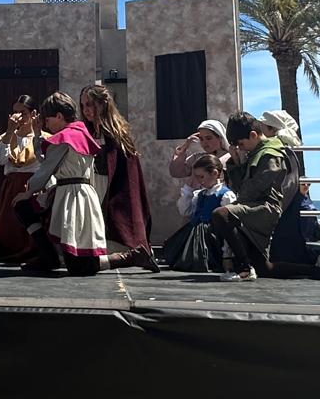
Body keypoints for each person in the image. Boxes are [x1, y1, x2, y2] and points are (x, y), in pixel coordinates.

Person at [14, 91, 108, 276]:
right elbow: (48, 160)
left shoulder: (66, 138)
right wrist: (38, 135)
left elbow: (46, 167)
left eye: (48, 119)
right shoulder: (79, 133)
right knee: (25, 207)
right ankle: (48, 255)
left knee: (78, 265)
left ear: (59, 116)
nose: (46, 124)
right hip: (77, 193)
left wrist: (30, 190)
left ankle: (128, 258)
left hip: (71, 197)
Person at [78, 84, 158, 271]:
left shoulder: (117, 134)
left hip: (111, 189)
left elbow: (128, 174)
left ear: (102, 104)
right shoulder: (85, 132)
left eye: (90, 104)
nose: (86, 110)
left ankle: (129, 254)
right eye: (83, 105)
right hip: (91, 186)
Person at [209, 113, 295, 281]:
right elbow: (240, 188)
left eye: (241, 144)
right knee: (265, 268)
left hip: (265, 208)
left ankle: (245, 268)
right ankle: (319, 269)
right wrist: (235, 162)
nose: (241, 148)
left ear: (253, 135)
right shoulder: (256, 152)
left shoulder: (270, 154)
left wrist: (236, 202)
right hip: (252, 206)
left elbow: (254, 188)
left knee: (221, 214)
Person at [256, 109, 316, 270]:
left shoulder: (279, 152)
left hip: (283, 207)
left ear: (271, 130)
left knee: (284, 250)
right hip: (287, 206)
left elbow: (287, 185)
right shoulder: (287, 151)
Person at [0, 95, 42, 263]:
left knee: (32, 221)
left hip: (33, 185)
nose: (18, 117)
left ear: (32, 114)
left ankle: (34, 251)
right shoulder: (8, 137)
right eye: (15, 112)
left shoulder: (41, 137)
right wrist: (10, 131)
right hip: (12, 186)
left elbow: (46, 161)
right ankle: (8, 250)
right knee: (8, 223)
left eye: (23, 113)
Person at [162, 154, 236, 273]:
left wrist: (227, 255)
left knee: (200, 262)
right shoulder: (200, 194)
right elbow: (185, 211)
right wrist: (188, 189)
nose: (199, 181)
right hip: (194, 234)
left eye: (201, 176)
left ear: (214, 173)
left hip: (212, 237)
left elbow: (229, 227)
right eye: (197, 177)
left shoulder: (225, 195)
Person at [167, 119, 229, 184]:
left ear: (220, 138)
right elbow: (176, 172)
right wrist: (185, 147)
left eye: (208, 138)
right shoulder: (197, 158)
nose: (204, 142)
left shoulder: (230, 158)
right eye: (201, 139)